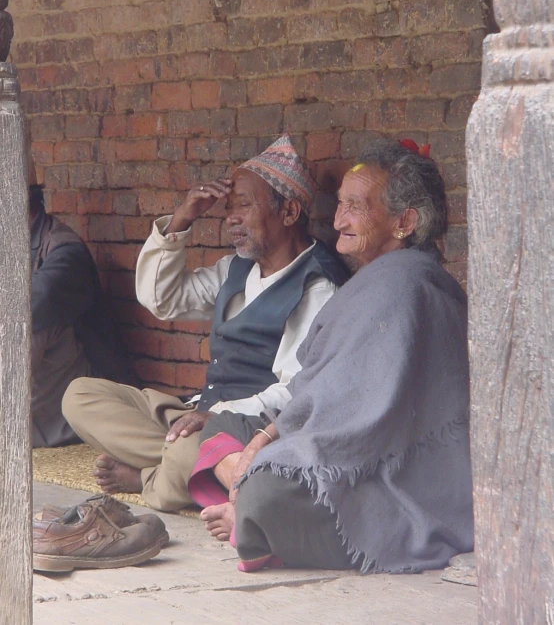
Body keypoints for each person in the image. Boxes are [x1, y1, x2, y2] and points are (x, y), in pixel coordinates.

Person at [191, 136, 474, 574]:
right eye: (339, 204)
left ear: (404, 221)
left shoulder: (402, 286)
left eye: (355, 207)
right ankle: (249, 507)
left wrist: (270, 444)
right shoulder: (382, 278)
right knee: (227, 429)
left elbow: (356, 421)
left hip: (391, 475)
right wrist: (270, 436)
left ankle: (252, 514)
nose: (338, 218)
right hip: (347, 449)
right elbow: (324, 386)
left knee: (270, 489)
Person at [62, 135, 349, 511]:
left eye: (243, 205)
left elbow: (295, 391)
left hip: (245, 429)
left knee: (188, 452)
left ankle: (152, 477)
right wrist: (182, 218)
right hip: (197, 414)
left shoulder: (317, 287)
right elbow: (161, 298)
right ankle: (179, 467)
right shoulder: (237, 269)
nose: (230, 217)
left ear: (290, 212)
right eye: (229, 207)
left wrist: (214, 417)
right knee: (79, 396)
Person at [29, 170, 136, 448]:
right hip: (41, 394)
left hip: (77, 398)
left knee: (23, 324)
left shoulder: (65, 250)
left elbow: (33, 303)